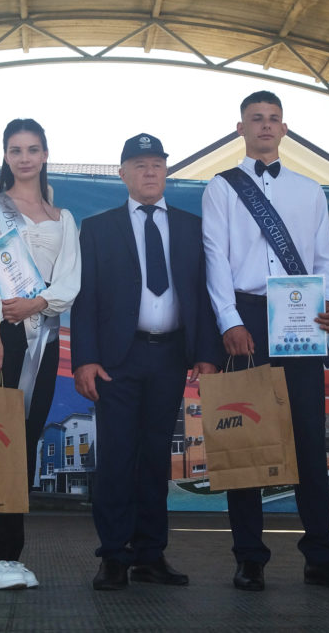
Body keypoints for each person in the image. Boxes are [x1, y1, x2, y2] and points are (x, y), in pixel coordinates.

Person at [201, 91, 329, 592]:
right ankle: (249, 557)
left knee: (310, 440)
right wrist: (229, 321)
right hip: (247, 317)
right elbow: (215, 258)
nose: (266, 126)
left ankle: (321, 557)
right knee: (246, 440)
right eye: (256, 119)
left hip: (300, 316)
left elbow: (325, 258)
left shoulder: (309, 190)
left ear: (284, 129)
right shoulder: (221, 187)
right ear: (241, 128)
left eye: (273, 119)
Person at [72, 133, 220, 591]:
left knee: (157, 459)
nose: (149, 171)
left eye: (157, 163)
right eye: (139, 165)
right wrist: (84, 360)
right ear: (122, 174)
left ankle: (150, 555)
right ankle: (114, 556)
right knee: (117, 458)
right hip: (117, 359)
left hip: (171, 356)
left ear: (167, 171)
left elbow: (205, 294)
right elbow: (85, 299)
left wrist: (206, 354)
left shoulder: (192, 227)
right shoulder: (98, 228)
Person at [0, 118, 81, 589]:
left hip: (41, 339)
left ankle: (11, 556)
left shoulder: (62, 218)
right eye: (15, 150)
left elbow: (70, 280)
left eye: (32, 149)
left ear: (45, 154)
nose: (24, 158)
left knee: (24, 444)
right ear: (5, 156)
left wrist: (39, 303)